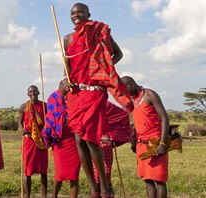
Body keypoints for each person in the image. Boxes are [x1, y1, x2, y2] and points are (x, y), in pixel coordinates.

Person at [61, 3, 133, 197]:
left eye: (80, 12)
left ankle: (104, 187)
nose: (77, 15)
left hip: (94, 92)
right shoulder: (67, 39)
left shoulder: (99, 31)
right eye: (73, 12)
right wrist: (63, 82)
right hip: (76, 94)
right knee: (78, 140)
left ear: (88, 14)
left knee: (91, 139)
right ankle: (93, 187)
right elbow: (67, 70)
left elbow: (118, 54)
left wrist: (103, 68)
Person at [121, 76, 169, 198]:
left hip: (155, 142)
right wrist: (133, 142)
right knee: (147, 179)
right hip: (141, 144)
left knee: (159, 179)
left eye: (125, 90)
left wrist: (162, 143)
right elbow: (137, 122)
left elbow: (164, 118)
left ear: (131, 84)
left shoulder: (149, 95)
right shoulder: (132, 100)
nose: (125, 94)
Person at [42, 84, 81, 198]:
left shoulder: (75, 96)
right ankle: (54, 196)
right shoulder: (53, 97)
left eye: (69, 89)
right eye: (65, 89)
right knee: (60, 174)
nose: (67, 91)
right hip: (60, 142)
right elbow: (51, 116)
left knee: (74, 175)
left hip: (74, 141)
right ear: (61, 87)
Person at [92, 101, 132, 192]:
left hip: (104, 142)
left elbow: (123, 114)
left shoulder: (104, 103)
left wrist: (111, 133)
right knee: (94, 177)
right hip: (89, 142)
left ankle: (107, 193)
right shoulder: (82, 103)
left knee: (105, 174)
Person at [18, 85, 48, 198]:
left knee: (43, 169)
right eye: (30, 91)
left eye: (34, 91)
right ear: (28, 94)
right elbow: (19, 121)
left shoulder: (45, 106)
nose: (33, 92)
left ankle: (44, 195)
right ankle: (28, 195)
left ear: (39, 92)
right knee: (27, 170)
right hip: (29, 140)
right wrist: (20, 127)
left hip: (41, 140)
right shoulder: (23, 107)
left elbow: (49, 120)